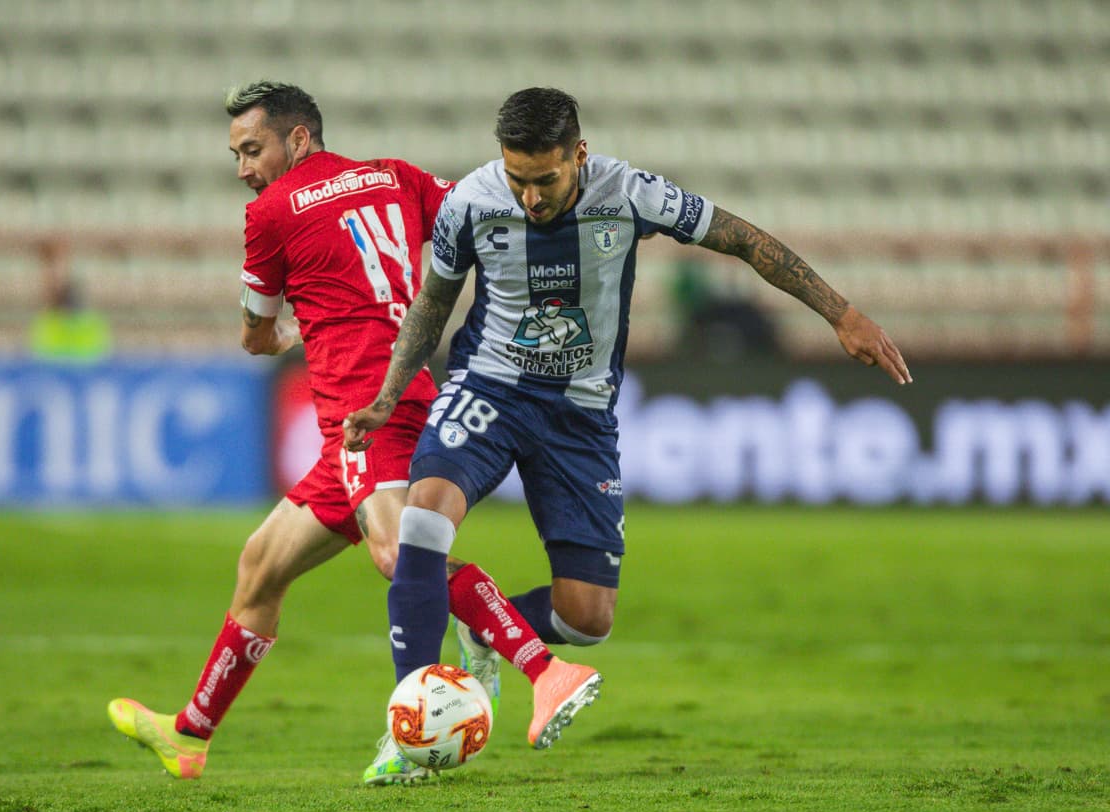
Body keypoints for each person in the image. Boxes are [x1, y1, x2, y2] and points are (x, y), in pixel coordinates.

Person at [343, 87, 912, 713]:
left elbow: (744, 240)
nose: (530, 198)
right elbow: (433, 302)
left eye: (545, 180)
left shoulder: (630, 193)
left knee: (587, 620)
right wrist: (387, 396)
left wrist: (843, 314)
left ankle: (486, 624)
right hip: (491, 386)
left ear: (579, 155)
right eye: (517, 179)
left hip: (580, 414)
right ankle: (413, 717)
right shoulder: (469, 202)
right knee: (423, 523)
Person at [105, 81, 601, 787]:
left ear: (298, 138)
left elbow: (255, 333)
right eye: (236, 154)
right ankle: (190, 735)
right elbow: (478, 207)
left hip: (371, 417)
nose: (243, 167)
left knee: (404, 556)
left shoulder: (269, 213)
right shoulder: (394, 176)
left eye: (252, 149)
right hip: (375, 419)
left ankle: (544, 669)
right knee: (261, 565)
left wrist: (283, 334)